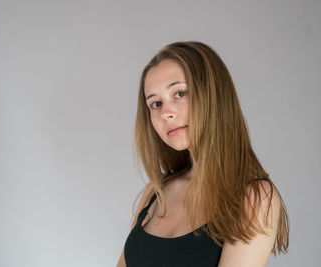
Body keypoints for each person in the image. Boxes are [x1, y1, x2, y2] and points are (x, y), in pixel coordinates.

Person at [116, 41, 289, 267]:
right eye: (155, 103)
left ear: (213, 95)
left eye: (180, 93)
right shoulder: (153, 193)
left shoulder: (255, 198)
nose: (166, 112)